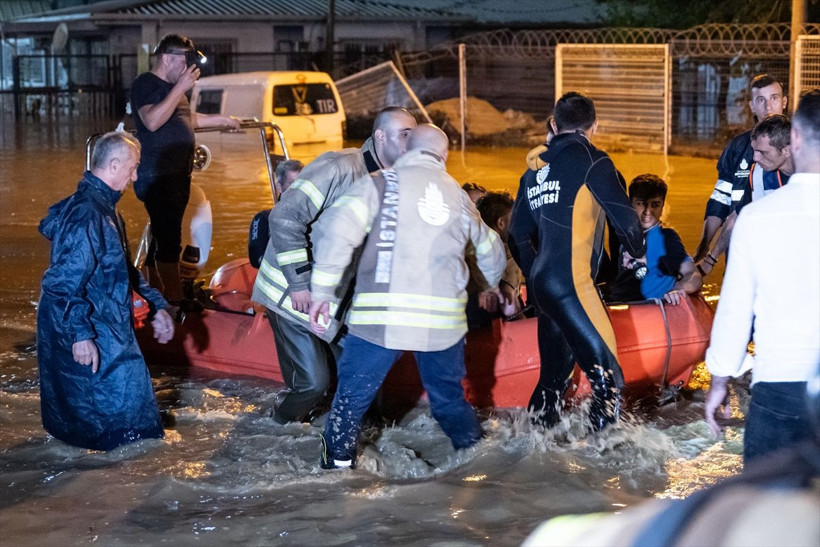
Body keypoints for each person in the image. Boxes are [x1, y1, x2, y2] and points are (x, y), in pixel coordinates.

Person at [308, 124, 507, 468]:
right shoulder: (459, 197)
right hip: (442, 323)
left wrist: (322, 291)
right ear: (443, 156)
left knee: (350, 401)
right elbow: (490, 249)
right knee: (448, 401)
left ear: (406, 150)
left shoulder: (379, 184)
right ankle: (479, 465)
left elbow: (336, 231)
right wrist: (490, 285)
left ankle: (336, 474)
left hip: (381, 318)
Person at [252, 106, 418, 424]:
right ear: (380, 136)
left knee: (363, 384)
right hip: (291, 294)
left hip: (334, 304)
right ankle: (272, 430)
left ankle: (347, 450)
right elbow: (285, 217)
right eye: (405, 134)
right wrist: (300, 284)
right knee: (314, 384)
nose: (413, 142)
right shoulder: (339, 167)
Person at [508, 91, 646, 431]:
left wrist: (537, 274)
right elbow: (627, 224)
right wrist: (638, 250)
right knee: (609, 380)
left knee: (553, 380)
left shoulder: (533, 173)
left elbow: (516, 234)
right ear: (594, 125)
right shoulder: (594, 161)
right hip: (573, 284)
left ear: (554, 125)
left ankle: (532, 447)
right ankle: (602, 462)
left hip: (542, 285)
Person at [37, 131, 175, 451]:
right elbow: (60, 284)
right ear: (114, 165)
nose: (136, 175)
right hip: (89, 327)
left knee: (131, 423)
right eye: (133, 167)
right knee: (120, 430)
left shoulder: (106, 210)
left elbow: (122, 271)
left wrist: (157, 306)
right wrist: (80, 335)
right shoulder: (87, 215)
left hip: (106, 324)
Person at [704, 89, 820, 465]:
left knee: (770, 514)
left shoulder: (757, 218)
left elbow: (735, 311)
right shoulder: (757, 191)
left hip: (781, 387)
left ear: (795, 140)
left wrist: (719, 380)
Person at [130, 33, 241, 303]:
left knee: (161, 238)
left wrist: (221, 119)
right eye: (185, 60)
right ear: (167, 58)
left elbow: (183, 117)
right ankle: (177, 303)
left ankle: (155, 295)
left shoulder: (172, 89)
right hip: (159, 175)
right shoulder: (146, 83)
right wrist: (180, 87)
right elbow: (152, 121)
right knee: (169, 243)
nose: (189, 68)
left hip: (177, 173)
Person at [693, 73, 787, 265]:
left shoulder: (799, 148)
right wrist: (704, 248)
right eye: (761, 100)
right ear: (752, 105)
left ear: (784, 102)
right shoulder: (737, 147)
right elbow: (721, 198)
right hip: (737, 245)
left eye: (774, 98)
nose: (768, 107)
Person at [697, 114, 793, 275]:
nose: (755, 158)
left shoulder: (812, 175)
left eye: (762, 152)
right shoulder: (757, 175)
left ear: (786, 150)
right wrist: (709, 261)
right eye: (754, 150)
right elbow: (737, 216)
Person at [606, 174, 702, 305]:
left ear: (662, 207)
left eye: (655, 205)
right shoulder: (626, 235)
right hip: (616, 306)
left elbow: (693, 275)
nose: (648, 212)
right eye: (641, 204)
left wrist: (676, 290)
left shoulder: (666, 238)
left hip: (642, 309)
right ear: (631, 204)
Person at [466, 190, 522, 328]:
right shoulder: (508, 251)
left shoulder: (468, 245)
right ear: (501, 223)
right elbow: (508, 304)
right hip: (491, 326)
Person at [248, 159, 304, 269]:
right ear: (279, 187)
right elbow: (256, 258)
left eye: (301, 183)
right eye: (292, 183)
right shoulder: (263, 220)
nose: (298, 189)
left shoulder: (314, 217)